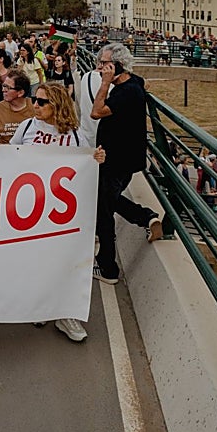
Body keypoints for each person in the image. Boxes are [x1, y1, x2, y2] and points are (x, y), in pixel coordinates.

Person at [0, 83, 103, 342]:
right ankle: (43, 305)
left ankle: (65, 313)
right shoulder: (27, 128)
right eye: (35, 100)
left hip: (60, 212)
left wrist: (97, 159)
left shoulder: (76, 136)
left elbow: (86, 165)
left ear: (56, 105)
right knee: (36, 258)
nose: (35, 105)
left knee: (64, 261)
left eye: (41, 102)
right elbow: (9, 158)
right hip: (29, 207)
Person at [90, 43, 162, 285]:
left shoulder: (124, 92)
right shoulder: (134, 84)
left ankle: (108, 268)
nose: (100, 68)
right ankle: (146, 218)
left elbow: (96, 112)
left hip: (115, 161)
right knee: (108, 199)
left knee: (103, 213)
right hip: (124, 159)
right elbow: (143, 82)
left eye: (104, 64)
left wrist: (104, 84)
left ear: (117, 66)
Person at [0, 69, 34, 146]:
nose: (3, 90)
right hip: (3, 154)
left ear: (20, 93)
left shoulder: (35, 107)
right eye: (3, 86)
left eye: (7, 87)